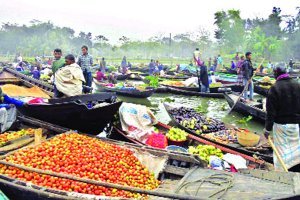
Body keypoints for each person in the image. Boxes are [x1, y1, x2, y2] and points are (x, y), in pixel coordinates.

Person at [264, 65, 300, 172]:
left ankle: (282, 172)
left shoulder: (275, 88)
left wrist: (267, 129)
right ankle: (296, 170)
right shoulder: (297, 85)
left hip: (280, 126)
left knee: (281, 152)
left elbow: (271, 113)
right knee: (296, 151)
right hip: (295, 126)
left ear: (276, 74)